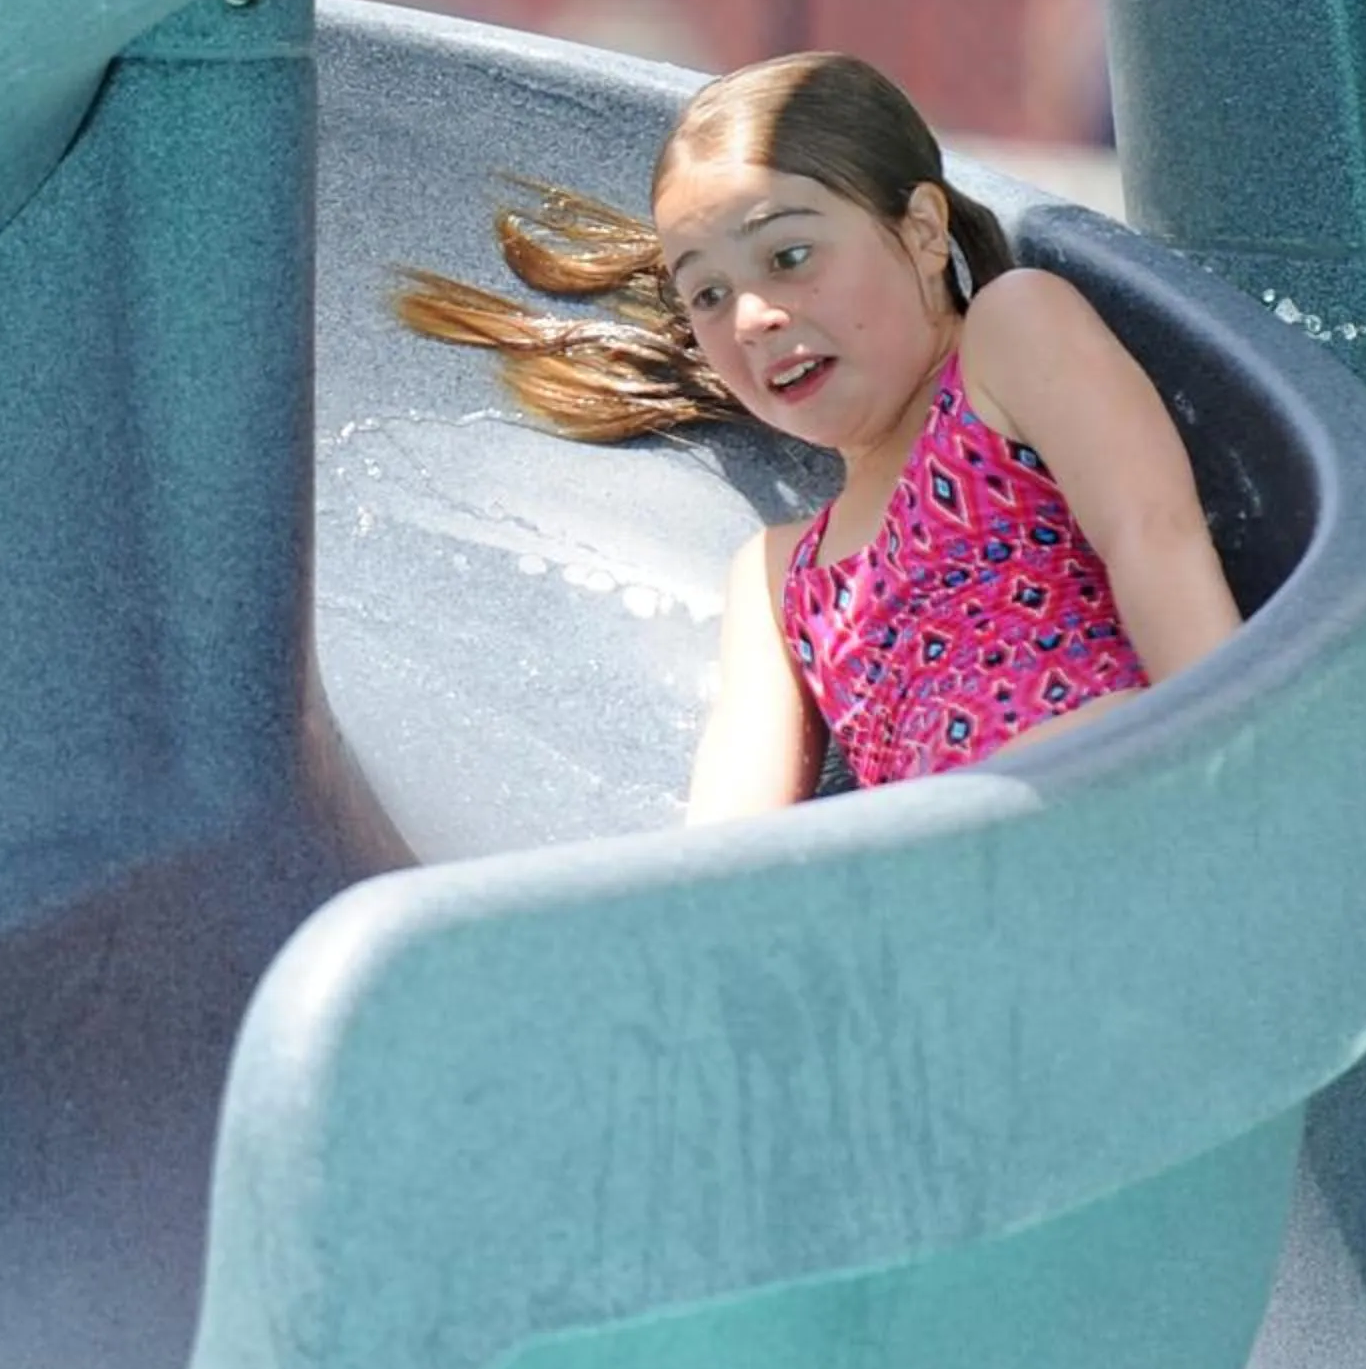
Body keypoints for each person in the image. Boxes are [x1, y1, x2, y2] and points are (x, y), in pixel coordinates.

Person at [395, 50, 1242, 825]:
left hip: (1124, 793)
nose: (753, 317)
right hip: (938, 896)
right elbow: (728, 848)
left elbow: (1154, 537)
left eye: (790, 256)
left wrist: (1244, 761)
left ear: (920, 230)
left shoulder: (1009, 335)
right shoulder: (777, 580)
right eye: (709, 296)